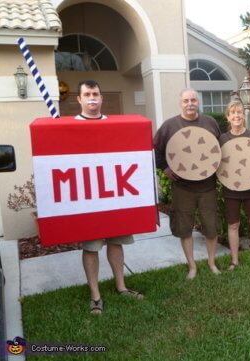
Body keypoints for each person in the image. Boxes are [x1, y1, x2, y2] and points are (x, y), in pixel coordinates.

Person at [76, 80, 143, 314]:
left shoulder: (115, 125)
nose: (92, 98)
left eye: (95, 93)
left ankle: (121, 286)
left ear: (101, 98)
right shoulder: (70, 126)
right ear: (80, 99)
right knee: (92, 246)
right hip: (87, 196)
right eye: (87, 94)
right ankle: (95, 295)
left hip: (115, 193)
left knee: (116, 241)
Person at [154, 88, 221, 279]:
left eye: (193, 100)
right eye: (186, 101)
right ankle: (192, 266)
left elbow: (219, 150)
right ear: (180, 103)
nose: (190, 104)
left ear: (197, 102)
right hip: (182, 188)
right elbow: (156, 150)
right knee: (184, 228)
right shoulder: (169, 126)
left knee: (211, 226)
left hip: (207, 186)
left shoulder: (210, 123)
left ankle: (211, 262)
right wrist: (166, 168)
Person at [218, 100, 250, 270]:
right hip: (231, 190)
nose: (237, 116)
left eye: (239, 112)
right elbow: (219, 165)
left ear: (243, 115)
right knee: (233, 225)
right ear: (228, 117)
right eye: (233, 113)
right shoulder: (223, 139)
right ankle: (234, 260)